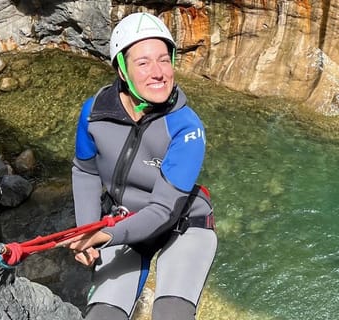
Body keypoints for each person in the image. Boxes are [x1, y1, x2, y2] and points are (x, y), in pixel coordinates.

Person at [66, 12, 217, 320]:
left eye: (164, 60)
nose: (158, 72)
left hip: (183, 226)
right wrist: (87, 230)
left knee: (171, 315)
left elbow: (163, 210)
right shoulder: (94, 113)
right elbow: (86, 171)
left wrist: (104, 236)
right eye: (144, 63)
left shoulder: (187, 128)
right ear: (122, 69)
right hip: (123, 221)